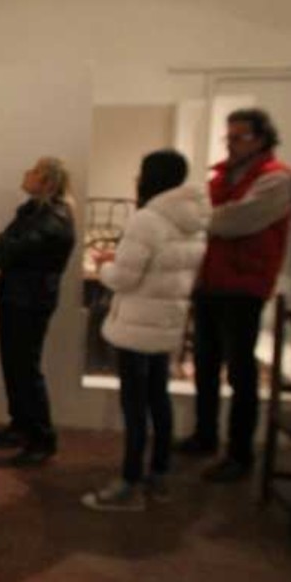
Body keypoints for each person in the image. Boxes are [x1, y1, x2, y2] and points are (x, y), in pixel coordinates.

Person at [177, 109, 291, 482]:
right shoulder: (223, 176)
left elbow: (235, 221)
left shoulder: (276, 179)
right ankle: (205, 434)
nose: (231, 143)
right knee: (206, 363)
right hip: (212, 281)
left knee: (241, 371)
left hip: (244, 285)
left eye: (239, 137)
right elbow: (214, 217)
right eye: (228, 137)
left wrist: (202, 218)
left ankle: (240, 452)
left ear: (261, 139)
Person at [82, 151, 207, 511]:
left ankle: (128, 483)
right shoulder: (193, 222)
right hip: (167, 322)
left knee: (135, 406)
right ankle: (159, 474)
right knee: (159, 400)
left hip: (137, 326)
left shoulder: (147, 220)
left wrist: (107, 267)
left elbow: (125, 278)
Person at [0, 156, 78, 466]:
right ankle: (21, 425)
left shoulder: (51, 219)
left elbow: (3, 252)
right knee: (14, 365)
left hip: (29, 301)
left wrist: (1, 243)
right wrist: (3, 245)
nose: (27, 172)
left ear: (47, 182)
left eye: (35, 171)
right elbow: (5, 250)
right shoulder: (35, 213)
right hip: (18, 297)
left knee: (26, 368)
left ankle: (42, 438)